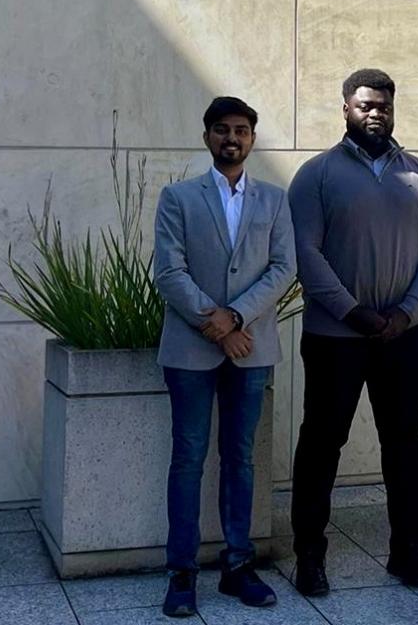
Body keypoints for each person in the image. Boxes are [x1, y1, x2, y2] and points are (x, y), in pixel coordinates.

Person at [288, 68, 418, 597]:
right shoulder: (316, 175)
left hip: (402, 336)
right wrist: (354, 312)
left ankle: (406, 554)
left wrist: (407, 311)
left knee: (404, 444)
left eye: (382, 104)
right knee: (321, 444)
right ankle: (309, 558)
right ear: (345, 109)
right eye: (364, 105)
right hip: (336, 336)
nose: (375, 112)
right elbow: (305, 253)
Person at [154, 96, 296, 619]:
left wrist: (235, 318)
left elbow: (283, 268)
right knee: (187, 459)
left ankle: (238, 566)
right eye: (221, 129)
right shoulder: (178, 198)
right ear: (207, 137)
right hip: (191, 350)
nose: (231, 138)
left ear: (252, 138)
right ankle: (181, 573)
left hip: (250, 346)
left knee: (241, 458)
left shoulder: (275, 201)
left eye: (240, 129)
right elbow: (169, 271)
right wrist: (214, 325)